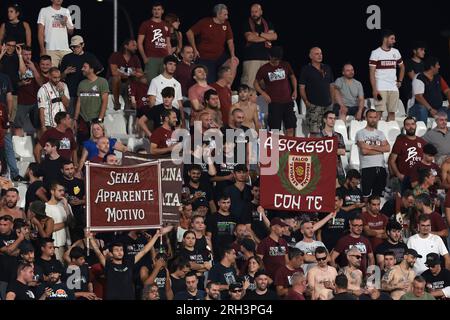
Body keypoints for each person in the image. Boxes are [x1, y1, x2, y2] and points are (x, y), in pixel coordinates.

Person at [89, 227, 170, 300]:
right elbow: (98, 252)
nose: (119, 252)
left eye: (121, 250)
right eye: (116, 250)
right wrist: (90, 237)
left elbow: (144, 251)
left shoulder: (129, 263)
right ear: (111, 253)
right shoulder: (109, 265)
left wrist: (156, 236)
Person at [186, 4, 237, 84]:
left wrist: (233, 55)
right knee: (210, 83)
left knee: (234, 61)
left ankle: (228, 87)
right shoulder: (205, 22)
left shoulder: (226, 24)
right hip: (205, 57)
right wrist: (194, 49)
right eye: (225, 15)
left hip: (219, 56)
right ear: (218, 14)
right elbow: (189, 33)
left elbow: (230, 41)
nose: (227, 17)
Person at [254, 46, 297, 136]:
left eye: (278, 59)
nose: (277, 61)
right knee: (275, 130)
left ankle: (290, 149)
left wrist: (295, 90)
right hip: (274, 103)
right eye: (275, 59)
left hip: (288, 101)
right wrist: (263, 93)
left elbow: (292, 77)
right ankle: (275, 150)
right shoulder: (264, 69)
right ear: (270, 56)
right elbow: (255, 83)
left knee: (290, 127)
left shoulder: (285, 65)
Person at [61, 35, 103, 115]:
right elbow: (60, 77)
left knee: (88, 117)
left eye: (76, 47)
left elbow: (100, 69)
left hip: (86, 92)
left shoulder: (89, 56)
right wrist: (65, 72)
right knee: (71, 117)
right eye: (72, 47)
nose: (74, 49)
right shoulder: (67, 58)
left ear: (83, 45)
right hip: (72, 93)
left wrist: (90, 75)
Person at [369, 29, 405, 122]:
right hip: (380, 87)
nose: (394, 41)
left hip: (393, 87)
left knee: (392, 112)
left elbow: (402, 67)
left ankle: (390, 135)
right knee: (379, 112)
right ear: (385, 39)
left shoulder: (396, 52)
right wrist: (374, 89)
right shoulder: (376, 53)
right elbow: (371, 73)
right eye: (392, 39)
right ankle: (376, 134)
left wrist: (400, 81)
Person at [299, 47, 335, 134]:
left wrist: (332, 101)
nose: (320, 56)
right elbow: (301, 88)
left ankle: (326, 147)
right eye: (317, 54)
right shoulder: (306, 69)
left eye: (321, 53)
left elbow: (332, 85)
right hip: (314, 106)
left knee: (327, 132)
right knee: (314, 132)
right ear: (310, 56)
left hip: (327, 106)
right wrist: (306, 102)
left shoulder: (327, 68)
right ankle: (313, 147)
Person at [356, 109, 390, 199]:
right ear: (366, 118)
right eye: (370, 117)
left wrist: (370, 147)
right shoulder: (360, 133)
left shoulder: (380, 133)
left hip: (381, 167)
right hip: (367, 167)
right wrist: (380, 150)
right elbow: (364, 151)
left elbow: (388, 148)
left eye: (375, 117)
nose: (373, 120)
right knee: (366, 196)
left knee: (378, 197)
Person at [241, 4, 277, 89]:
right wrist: (266, 37)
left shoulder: (268, 23)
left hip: (266, 58)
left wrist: (259, 34)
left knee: (268, 85)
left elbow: (274, 36)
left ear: (261, 12)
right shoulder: (246, 23)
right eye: (252, 12)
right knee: (249, 85)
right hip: (251, 59)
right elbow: (250, 38)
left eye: (256, 11)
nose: (254, 14)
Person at [74, 60, 109, 144]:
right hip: (83, 119)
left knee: (97, 143)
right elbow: (79, 102)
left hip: (96, 118)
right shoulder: (81, 84)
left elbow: (105, 101)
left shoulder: (102, 82)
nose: (82, 69)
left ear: (92, 69)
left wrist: (100, 119)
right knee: (82, 143)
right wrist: (75, 119)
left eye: (85, 67)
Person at [389, 117, 426, 192]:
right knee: (403, 201)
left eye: (412, 124)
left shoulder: (422, 141)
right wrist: (398, 175)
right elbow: (392, 160)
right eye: (408, 125)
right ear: (404, 127)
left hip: (419, 178)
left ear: (416, 126)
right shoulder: (400, 141)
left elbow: (426, 159)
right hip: (404, 178)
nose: (411, 127)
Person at [137, 2, 171, 83]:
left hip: (164, 58)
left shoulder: (166, 25)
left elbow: (168, 43)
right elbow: (139, 42)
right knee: (151, 83)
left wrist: (169, 58)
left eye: (159, 9)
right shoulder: (146, 24)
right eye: (154, 9)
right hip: (151, 58)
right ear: (152, 11)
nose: (156, 11)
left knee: (164, 82)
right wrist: (144, 57)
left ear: (162, 11)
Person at [409, 57, 450, 122]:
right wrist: (430, 109)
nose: (439, 67)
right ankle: (422, 131)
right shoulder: (419, 77)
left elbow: (447, 90)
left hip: (437, 109)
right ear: (432, 67)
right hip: (419, 108)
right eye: (437, 65)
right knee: (422, 110)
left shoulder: (438, 77)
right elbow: (418, 97)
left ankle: (445, 131)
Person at [108, 38, 144, 110]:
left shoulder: (135, 58)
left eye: (136, 46)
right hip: (115, 84)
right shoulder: (116, 55)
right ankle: (117, 102)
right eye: (133, 45)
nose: (136, 48)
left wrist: (125, 73)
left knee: (141, 80)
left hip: (128, 83)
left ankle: (135, 105)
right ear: (126, 46)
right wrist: (131, 73)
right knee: (116, 78)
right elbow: (114, 72)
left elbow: (140, 73)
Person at [15, 45, 44, 135]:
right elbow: (14, 83)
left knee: (39, 126)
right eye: (25, 54)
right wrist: (21, 83)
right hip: (22, 101)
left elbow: (41, 83)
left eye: (29, 54)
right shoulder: (16, 64)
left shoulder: (34, 64)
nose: (28, 56)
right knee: (18, 126)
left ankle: (40, 146)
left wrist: (34, 69)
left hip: (35, 101)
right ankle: (18, 148)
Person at [147, 55, 184, 123]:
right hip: (160, 112)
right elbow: (152, 101)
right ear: (164, 65)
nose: (172, 67)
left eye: (174, 65)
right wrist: (154, 117)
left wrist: (183, 120)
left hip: (175, 113)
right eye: (170, 64)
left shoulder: (177, 84)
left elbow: (180, 104)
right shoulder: (155, 81)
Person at [312, 111, 346, 184]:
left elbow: (342, 151)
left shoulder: (338, 135)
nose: (333, 120)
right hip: (322, 170)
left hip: (337, 169)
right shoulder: (318, 136)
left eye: (334, 118)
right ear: (325, 120)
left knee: (337, 193)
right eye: (330, 118)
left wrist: (326, 149)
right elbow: (315, 153)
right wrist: (334, 150)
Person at [37, 0, 74, 67]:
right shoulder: (44, 10)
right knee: (52, 74)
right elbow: (40, 32)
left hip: (65, 48)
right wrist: (42, 50)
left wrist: (65, 23)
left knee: (70, 72)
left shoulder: (66, 11)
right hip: (51, 49)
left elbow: (71, 32)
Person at [45, 182, 73, 262]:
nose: (62, 193)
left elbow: (73, 224)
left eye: (63, 191)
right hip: (56, 245)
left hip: (67, 243)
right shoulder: (46, 207)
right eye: (60, 190)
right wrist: (66, 223)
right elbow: (50, 228)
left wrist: (67, 208)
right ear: (52, 191)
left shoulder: (66, 205)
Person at [59, 160, 85, 242]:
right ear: (62, 170)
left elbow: (87, 199)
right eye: (67, 169)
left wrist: (80, 202)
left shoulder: (80, 182)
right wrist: (68, 202)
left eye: (71, 168)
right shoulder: (59, 183)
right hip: (64, 215)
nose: (70, 171)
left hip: (79, 216)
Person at [402, 41, 426, 106]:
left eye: (424, 50)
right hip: (411, 94)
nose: (424, 52)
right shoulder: (408, 62)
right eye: (421, 50)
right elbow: (414, 78)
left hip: (423, 93)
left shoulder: (424, 63)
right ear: (414, 51)